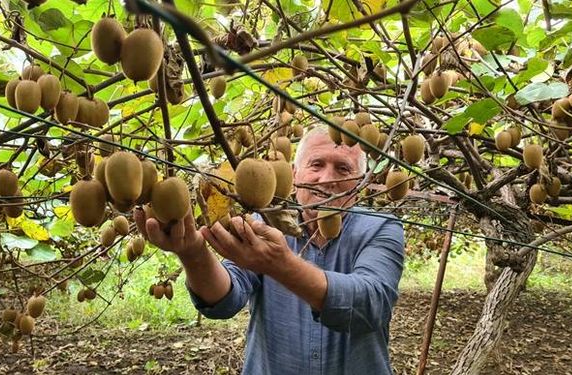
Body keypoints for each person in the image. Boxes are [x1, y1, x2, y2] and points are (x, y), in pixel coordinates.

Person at [134, 126, 405, 374]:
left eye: (343, 169)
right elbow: (226, 300)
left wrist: (280, 264)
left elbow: (371, 304)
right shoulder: (264, 225)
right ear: (295, 175)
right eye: (316, 164)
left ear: (359, 184)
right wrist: (193, 254)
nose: (326, 179)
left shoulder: (381, 227)